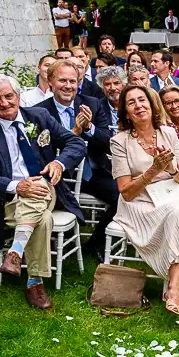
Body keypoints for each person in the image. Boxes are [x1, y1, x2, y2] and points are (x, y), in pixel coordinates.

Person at [0, 74, 86, 310]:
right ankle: (34, 281)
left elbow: (76, 143)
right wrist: (16, 186)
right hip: (9, 197)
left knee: (39, 186)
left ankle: (16, 251)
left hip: (45, 188)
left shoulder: (39, 117)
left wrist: (58, 163)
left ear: (18, 96)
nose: (4, 103)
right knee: (42, 219)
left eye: (9, 96)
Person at [110, 84, 179, 319]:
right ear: (126, 112)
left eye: (142, 100)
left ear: (151, 104)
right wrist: (152, 171)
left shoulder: (168, 133)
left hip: (169, 198)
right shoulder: (120, 141)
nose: (138, 106)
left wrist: (169, 168)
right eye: (131, 102)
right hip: (138, 205)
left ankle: (175, 288)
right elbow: (126, 192)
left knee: (178, 212)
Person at [36, 59, 119, 262]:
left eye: (73, 81)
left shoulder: (92, 103)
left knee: (122, 196)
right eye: (62, 80)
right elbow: (41, 149)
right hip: (57, 175)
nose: (68, 86)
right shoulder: (40, 111)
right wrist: (74, 133)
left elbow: (109, 142)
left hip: (92, 171)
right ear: (50, 81)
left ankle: (94, 243)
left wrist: (89, 128)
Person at [97, 66, 125, 130]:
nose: (112, 88)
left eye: (116, 83)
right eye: (107, 84)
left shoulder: (131, 104)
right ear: (102, 87)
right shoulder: (97, 107)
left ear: (123, 85)